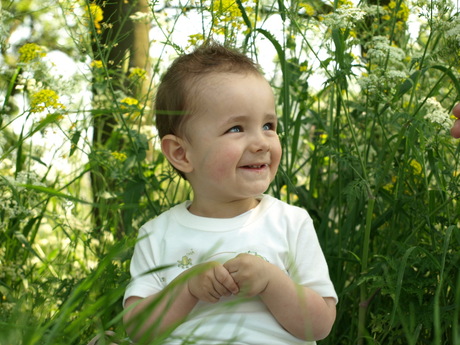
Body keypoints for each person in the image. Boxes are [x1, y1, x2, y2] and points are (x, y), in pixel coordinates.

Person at [122, 41, 338, 345]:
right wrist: (186, 288)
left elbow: (320, 325)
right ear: (182, 153)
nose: (261, 142)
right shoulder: (157, 235)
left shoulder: (290, 223)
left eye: (268, 125)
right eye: (236, 128)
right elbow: (140, 331)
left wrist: (271, 281)